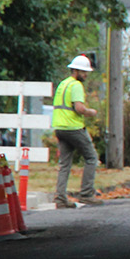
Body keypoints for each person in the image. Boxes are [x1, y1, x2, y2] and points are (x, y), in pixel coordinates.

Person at [52, 54, 101, 208]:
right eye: (84, 72)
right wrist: (90, 112)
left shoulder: (63, 84)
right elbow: (79, 108)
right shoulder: (76, 85)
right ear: (76, 71)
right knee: (92, 158)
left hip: (60, 127)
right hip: (73, 127)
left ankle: (60, 199)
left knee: (64, 164)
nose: (86, 75)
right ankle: (86, 194)